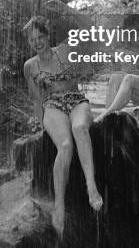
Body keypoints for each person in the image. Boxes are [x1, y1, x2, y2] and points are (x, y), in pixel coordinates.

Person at [22, 15, 103, 235]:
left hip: (76, 100)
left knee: (79, 129)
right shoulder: (29, 66)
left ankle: (91, 185)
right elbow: (36, 99)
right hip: (53, 106)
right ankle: (59, 204)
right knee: (65, 145)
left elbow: (89, 29)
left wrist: (64, 9)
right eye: (32, 40)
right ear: (29, 43)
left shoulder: (66, 49)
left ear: (48, 35)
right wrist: (41, 126)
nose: (37, 42)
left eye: (40, 36)